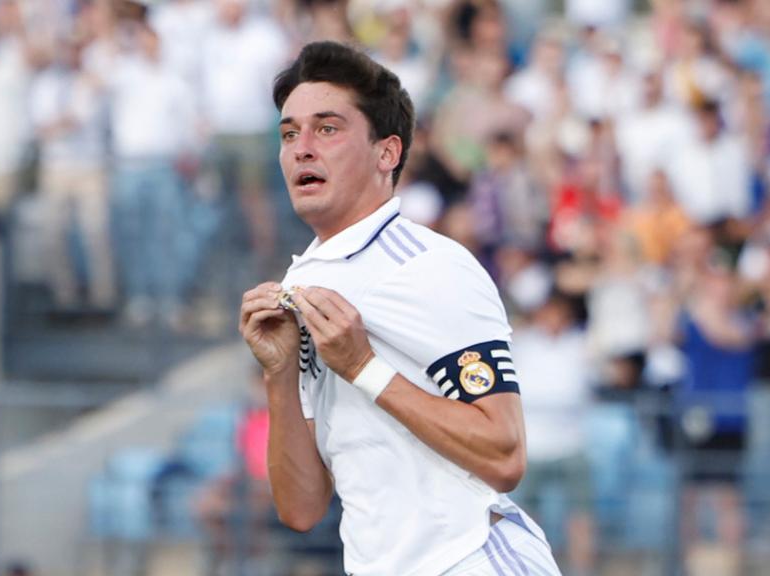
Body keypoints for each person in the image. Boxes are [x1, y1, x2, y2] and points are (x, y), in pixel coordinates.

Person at [239, 41, 560, 575]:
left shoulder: (431, 266)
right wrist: (277, 375)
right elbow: (301, 508)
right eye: (289, 133)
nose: (301, 148)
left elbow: (505, 455)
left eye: (327, 128)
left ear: (387, 153)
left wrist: (364, 367)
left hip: (472, 559)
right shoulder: (303, 283)